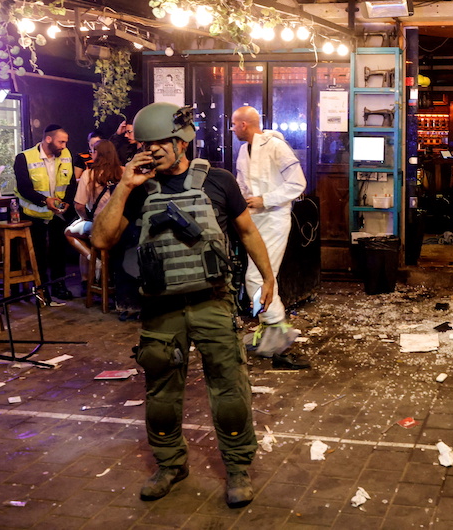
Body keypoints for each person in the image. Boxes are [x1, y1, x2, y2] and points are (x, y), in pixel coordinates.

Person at [91, 102, 275, 508]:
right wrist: (123, 186)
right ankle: (171, 464)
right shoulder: (137, 190)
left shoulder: (219, 181)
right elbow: (102, 240)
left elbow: (246, 233)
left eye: (160, 142)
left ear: (182, 140)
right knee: (160, 395)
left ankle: (238, 467)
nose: (152, 150)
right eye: (145, 143)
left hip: (212, 301)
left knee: (229, 392)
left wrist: (268, 276)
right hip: (160, 308)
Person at [230, 106, 309, 369]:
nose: (231, 129)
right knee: (257, 276)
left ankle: (278, 330)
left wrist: (266, 200)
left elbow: (298, 183)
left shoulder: (276, 146)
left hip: (274, 219)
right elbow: (243, 185)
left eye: (233, 124)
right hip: (254, 219)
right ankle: (268, 327)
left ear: (244, 124)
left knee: (259, 276)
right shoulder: (244, 150)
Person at [14, 124, 84, 303]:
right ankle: (41, 288)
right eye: (61, 142)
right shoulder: (24, 158)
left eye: (66, 142)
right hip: (35, 213)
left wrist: (67, 201)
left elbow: (70, 183)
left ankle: (59, 285)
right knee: (38, 253)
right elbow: (24, 188)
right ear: (48, 139)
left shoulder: (66, 155)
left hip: (58, 213)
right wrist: (46, 201)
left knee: (58, 251)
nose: (64, 146)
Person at [64, 139, 122, 261]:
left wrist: (83, 218)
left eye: (92, 151)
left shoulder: (88, 174)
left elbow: (79, 206)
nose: (91, 154)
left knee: (68, 232)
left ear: (97, 153)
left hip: (99, 226)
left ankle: (95, 260)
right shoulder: (124, 171)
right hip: (122, 226)